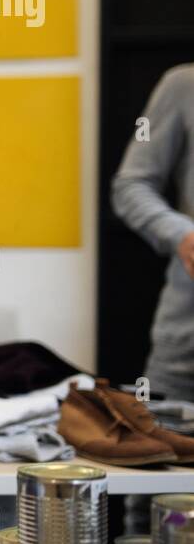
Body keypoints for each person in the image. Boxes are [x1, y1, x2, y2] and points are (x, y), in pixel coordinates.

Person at [112, 64, 194, 402]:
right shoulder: (183, 85)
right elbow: (131, 185)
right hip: (185, 346)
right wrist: (182, 235)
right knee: (157, 445)